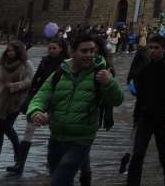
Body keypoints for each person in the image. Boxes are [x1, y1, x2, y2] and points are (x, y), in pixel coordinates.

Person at [26, 31, 124, 186]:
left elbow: (118, 100)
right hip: (57, 137)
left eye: (92, 51)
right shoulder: (60, 73)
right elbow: (41, 96)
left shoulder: (100, 73)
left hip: (81, 138)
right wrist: (36, 111)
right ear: (73, 51)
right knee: (59, 177)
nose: (89, 55)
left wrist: (108, 82)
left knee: (59, 180)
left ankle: (86, 174)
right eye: (84, 51)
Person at [126, 34, 165, 186]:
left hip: (163, 119)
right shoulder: (145, 68)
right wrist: (136, 118)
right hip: (145, 117)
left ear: (164, 49)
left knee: (164, 152)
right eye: (150, 48)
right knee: (137, 154)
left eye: (156, 48)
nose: (152, 51)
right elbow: (141, 95)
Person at [10, 37, 68, 174]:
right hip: (41, 97)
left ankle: (53, 160)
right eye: (50, 48)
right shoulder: (44, 61)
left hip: (57, 100)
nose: (51, 50)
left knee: (55, 132)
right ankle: (20, 163)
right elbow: (36, 78)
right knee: (29, 129)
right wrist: (31, 96)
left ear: (61, 49)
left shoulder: (66, 64)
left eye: (54, 48)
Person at [0, 40, 33, 170]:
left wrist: (15, 86)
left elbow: (30, 81)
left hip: (15, 102)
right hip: (1, 102)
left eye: (12, 50)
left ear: (18, 51)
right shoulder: (3, 65)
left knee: (8, 128)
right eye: (8, 50)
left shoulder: (26, 65)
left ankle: (19, 158)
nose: (9, 53)